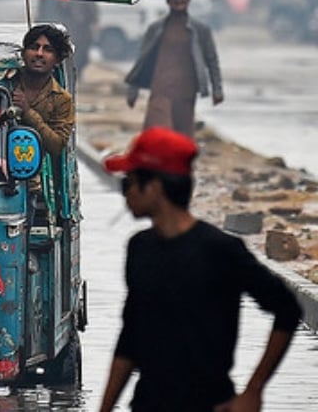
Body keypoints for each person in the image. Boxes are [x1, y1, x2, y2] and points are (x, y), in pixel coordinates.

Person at [99, 126, 301, 412]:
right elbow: (130, 337)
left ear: (154, 187)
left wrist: (253, 391)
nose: (126, 194)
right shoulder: (140, 249)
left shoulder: (220, 250)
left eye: (128, 183)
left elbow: (288, 309)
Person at [124, 0, 223, 139]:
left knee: (182, 136)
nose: (179, 6)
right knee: (158, 133)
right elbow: (141, 60)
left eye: (183, 2)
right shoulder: (156, 29)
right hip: (160, 89)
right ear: (168, 2)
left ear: (188, 1)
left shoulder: (200, 30)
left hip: (186, 92)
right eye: (175, 3)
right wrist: (132, 91)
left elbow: (212, 61)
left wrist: (217, 90)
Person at [10, 23, 75, 159]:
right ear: (23, 54)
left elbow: (57, 145)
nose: (39, 54)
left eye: (48, 49)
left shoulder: (62, 100)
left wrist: (28, 113)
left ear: (57, 60)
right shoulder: (6, 84)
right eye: (34, 47)